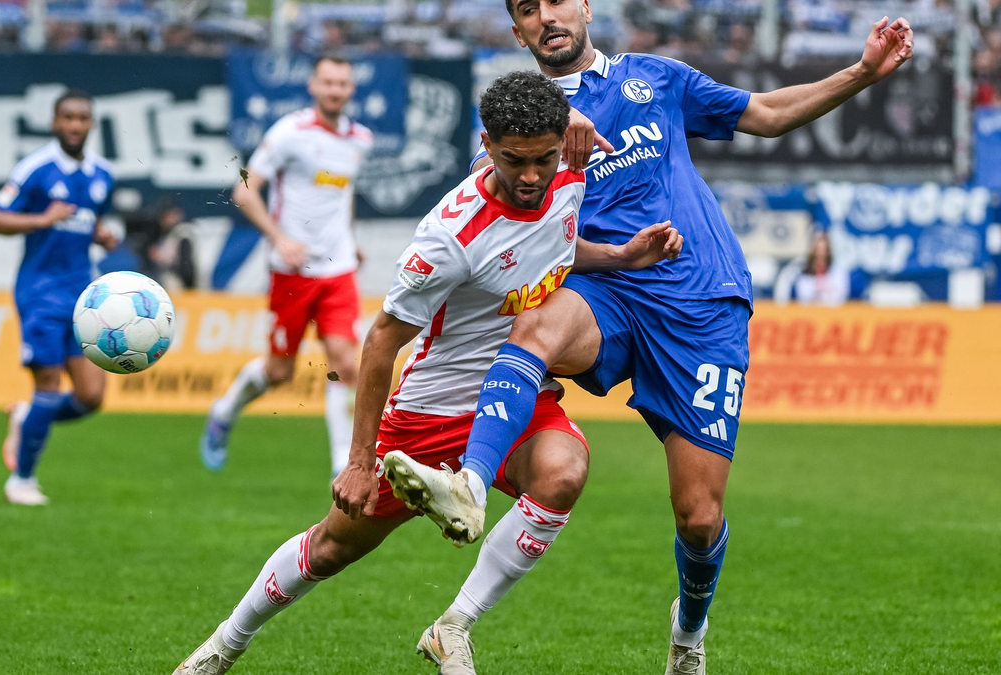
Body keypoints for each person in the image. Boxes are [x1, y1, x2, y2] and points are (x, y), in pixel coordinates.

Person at [389, 4, 915, 674]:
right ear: (517, 32)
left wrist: (864, 72)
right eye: (527, 9)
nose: (547, 16)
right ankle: (467, 491)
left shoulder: (655, 79)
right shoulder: (515, 134)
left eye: (556, 0)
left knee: (698, 516)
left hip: (701, 302)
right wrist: (607, 239)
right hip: (609, 286)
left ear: (583, 6)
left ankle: (688, 635)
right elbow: (518, 242)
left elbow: (768, 113)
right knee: (537, 325)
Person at [171, 71, 682, 675]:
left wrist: (622, 256)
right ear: (486, 145)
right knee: (334, 546)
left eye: (543, 159)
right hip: (430, 412)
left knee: (564, 472)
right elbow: (381, 342)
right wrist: (359, 463)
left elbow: (560, 248)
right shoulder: (450, 236)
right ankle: (225, 644)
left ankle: (453, 626)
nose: (530, 177)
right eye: (515, 161)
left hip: (513, 392)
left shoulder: (568, 171)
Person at [202, 55, 373, 478]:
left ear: (351, 89)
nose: (335, 89)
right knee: (279, 371)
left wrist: (351, 240)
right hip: (291, 273)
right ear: (313, 86)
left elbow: (342, 195)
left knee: (345, 364)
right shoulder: (289, 133)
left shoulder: (360, 139)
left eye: (342, 83)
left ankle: (341, 464)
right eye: (328, 82)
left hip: (338, 270)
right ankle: (224, 410)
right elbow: (244, 191)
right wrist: (279, 237)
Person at [0, 89, 119, 506]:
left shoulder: (102, 174)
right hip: (40, 292)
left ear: (91, 124)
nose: (75, 125)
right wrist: (42, 219)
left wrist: (99, 234)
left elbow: (85, 222)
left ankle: (26, 419)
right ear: (54, 122)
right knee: (47, 383)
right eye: (68, 118)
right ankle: (21, 480)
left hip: (84, 295)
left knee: (91, 396)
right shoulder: (36, 169)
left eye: (83, 118)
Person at [773, 231, 852, 306]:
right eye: (817, 251)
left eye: (824, 251)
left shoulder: (838, 273)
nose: (820, 255)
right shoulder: (802, 275)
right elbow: (803, 299)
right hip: (810, 316)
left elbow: (841, 297)